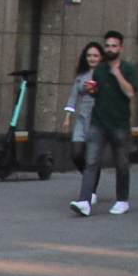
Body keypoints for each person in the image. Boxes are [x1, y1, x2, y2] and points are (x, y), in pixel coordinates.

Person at [72, 29, 138, 217]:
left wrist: (117, 73)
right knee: (91, 162)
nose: (110, 49)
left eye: (113, 46)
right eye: (107, 45)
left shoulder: (128, 69)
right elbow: (97, 93)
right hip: (98, 123)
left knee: (121, 163)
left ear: (121, 48)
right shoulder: (99, 69)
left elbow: (131, 93)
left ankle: (122, 200)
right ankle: (84, 200)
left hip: (119, 123)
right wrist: (90, 90)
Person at [60, 43, 103, 176]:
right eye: (89, 55)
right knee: (76, 153)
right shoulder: (81, 77)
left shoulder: (104, 75)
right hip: (82, 119)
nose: (92, 58)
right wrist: (67, 118)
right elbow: (73, 97)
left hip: (97, 119)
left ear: (101, 57)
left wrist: (96, 90)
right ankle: (88, 177)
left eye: (95, 55)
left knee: (92, 157)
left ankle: (91, 186)